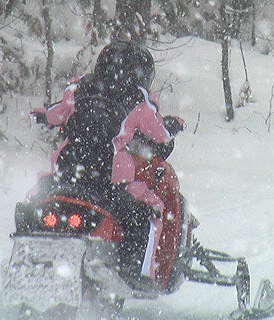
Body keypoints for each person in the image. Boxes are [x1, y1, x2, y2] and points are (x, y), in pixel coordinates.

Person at [30, 40, 185, 288]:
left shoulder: (79, 86)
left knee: (36, 200)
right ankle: (134, 274)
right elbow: (160, 135)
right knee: (146, 212)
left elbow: (57, 112)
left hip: (67, 174)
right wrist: (174, 125)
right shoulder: (139, 99)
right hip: (107, 179)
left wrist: (43, 114)